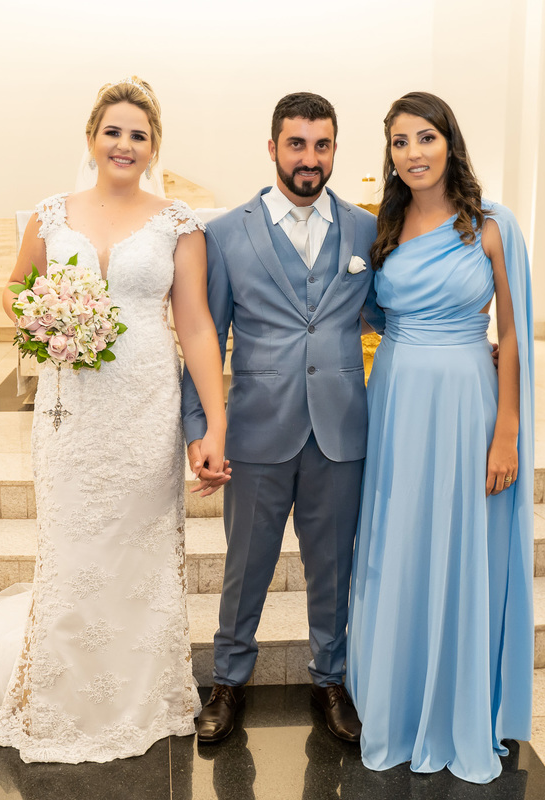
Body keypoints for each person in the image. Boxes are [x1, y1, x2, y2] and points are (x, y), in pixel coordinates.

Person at [0, 76, 230, 765]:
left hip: (145, 410)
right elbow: (14, 288)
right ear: (92, 138)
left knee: (140, 548)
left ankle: (143, 694)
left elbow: (195, 325)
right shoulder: (51, 214)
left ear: (154, 146)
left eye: (139, 134)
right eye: (114, 131)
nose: (125, 144)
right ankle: (62, 694)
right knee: (73, 546)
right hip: (71, 415)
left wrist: (213, 424)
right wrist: (42, 315)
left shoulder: (178, 223)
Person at [181, 93, 384, 744]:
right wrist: (199, 429)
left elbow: (391, 316)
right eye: (296, 144)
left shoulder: (362, 229)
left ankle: (331, 678)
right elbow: (204, 337)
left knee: (333, 564)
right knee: (247, 565)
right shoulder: (225, 233)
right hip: (258, 428)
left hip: (340, 430)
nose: (309, 158)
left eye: (321, 145)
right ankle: (228, 681)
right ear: (272, 148)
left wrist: (469, 339)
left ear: (334, 150)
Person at [345, 91, 535, 784]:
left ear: (450, 142)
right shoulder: (384, 230)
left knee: (458, 545)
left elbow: (511, 334)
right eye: (400, 142)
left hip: (465, 403)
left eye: (426, 137)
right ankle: (396, 699)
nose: (414, 152)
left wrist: (506, 430)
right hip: (395, 398)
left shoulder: (490, 227)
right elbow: (364, 316)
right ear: (390, 156)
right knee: (399, 543)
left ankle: (456, 704)